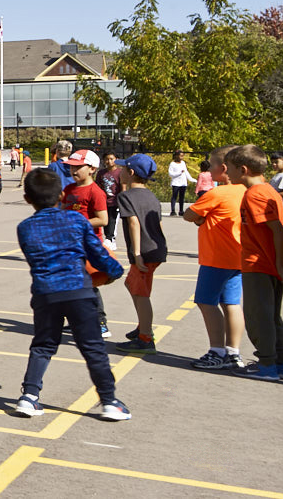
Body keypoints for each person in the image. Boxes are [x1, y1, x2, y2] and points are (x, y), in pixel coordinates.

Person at [9, 167, 130, 423]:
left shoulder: (25, 228)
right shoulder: (75, 220)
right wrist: (115, 271)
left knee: (42, 346)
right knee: (93, 348)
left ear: (27, 198)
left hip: (45, 293)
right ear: (62, 195)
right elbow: (96, 253)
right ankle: (109, 401)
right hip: (78, 291)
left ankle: (29, 396)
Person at [226, 144, 283, 381]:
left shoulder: (255, 194)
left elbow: (277, 229)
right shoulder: (268, 191)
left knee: (258, 316)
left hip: (259, 264)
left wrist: (280, 263)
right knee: (272, 316)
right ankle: (280, 363)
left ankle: (267, 365)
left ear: (243, 169)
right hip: (268, 264)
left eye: (230, 169)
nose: (227, 173)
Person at [183, 148, 246, 370]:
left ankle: (217, 350)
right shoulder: (245, 191)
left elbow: (189, 214)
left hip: (216, 257)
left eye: (211, 164)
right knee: (232, 303)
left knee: (206, 301)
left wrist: (202, 219)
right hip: (237, 256)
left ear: (224, 168)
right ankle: (233, 352)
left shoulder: (216, 193)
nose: (208, 168)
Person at [113, 154, 167, 354]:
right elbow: (158, 222)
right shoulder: (151, 196)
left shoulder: (125, 196)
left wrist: (136, 253)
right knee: (133, 285)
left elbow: (133, 222)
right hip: (156, 248)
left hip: (143, 251)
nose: (120, 172)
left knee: (140, 293)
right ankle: (142, 326)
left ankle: (146, 337)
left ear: (131, 173)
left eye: (123, 169)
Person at [59, 150, 112, 337]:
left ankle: (100, 323)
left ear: (91, 168)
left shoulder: (95, 192)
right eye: (71, 166)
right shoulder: (69, 190)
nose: (73, 170)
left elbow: (103, 220)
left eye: (78, 166)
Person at [168, 150, 191, 215]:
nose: (181, 157)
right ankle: (173, 210)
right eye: (180, 156)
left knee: (182, 197)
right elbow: (171, 173)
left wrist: (191, 179)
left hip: (183, 182)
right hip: (176, 182)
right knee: (174, 196)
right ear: (176, 156)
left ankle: (181, 210)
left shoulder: (183, 163)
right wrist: (179, 173)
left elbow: (186, 172)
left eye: (182, 156)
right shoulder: (172, 164)